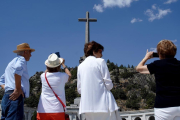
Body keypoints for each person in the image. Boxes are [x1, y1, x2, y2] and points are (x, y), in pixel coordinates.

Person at [136, 40, 180, 120]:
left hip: (163, 106)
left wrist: (146, 57)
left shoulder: (157, 65)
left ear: (159, 53)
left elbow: (139, 68)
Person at [77, 41, 121, 120]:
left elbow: (79, 90)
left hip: (87, 107)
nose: (101, 54)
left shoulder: (80, 67)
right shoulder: (100, 62)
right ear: (94, 52)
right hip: (104, 105)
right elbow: (109, 84)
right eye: (100, 51)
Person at [0, 43, 35, 120]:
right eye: (30, 53)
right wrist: (17, 89)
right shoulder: (21, 60)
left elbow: (1, 80)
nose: (30, 55)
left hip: (6, 96)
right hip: (15, 97)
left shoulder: (11, 63)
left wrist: (8, 89)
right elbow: (18, 68)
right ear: (25, 52)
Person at [37, 53, 71, 120]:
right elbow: (69, 75)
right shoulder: (62, 76)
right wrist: (63, 64)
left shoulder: (43, 76)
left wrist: (50, 64)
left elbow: (46, 72)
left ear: (47, 66)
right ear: (59, 66)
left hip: (43, 109)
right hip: (57, 109)